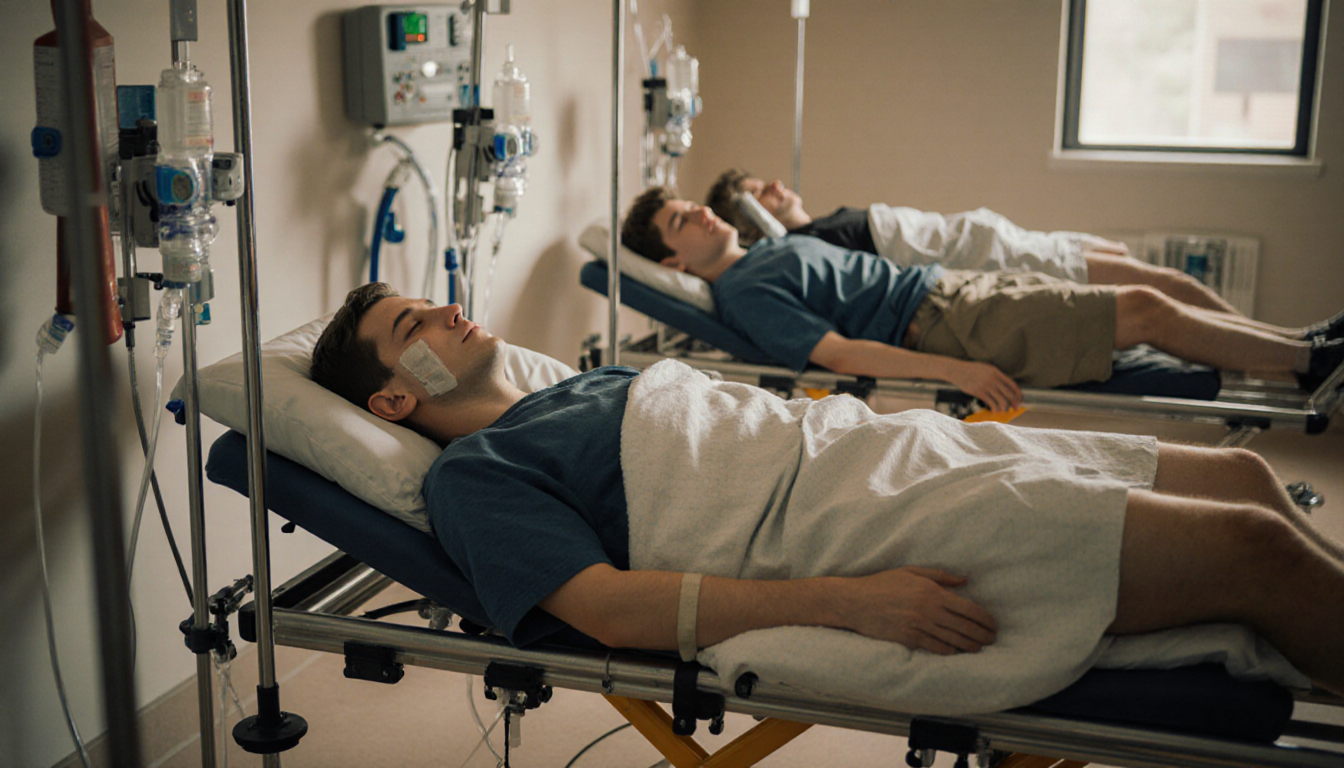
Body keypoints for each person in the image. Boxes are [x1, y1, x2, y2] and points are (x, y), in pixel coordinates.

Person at [308, 282, 1344, 700]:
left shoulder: (579, 386)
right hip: (846, 522)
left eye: (428, 302)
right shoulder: (477, 478)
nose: (444, 311)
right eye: (411, 327)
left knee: (1246, 476)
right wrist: (852, 603)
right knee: (1253, 553)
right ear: (395, 399)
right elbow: (609, 611)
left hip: (883, 450)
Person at [620, 186, 1344, 411]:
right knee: (1147, 311)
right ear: (672, 262)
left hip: (953, 289)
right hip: (948, 324)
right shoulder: (745, 292)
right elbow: (837, 355)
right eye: (682, 221)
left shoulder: (768, 249)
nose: (702, 212)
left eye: (691, 204)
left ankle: (1302, 352)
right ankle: (1309, 362)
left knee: (1145, 305)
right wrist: (955, 371)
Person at [708, 168, 1230, 315]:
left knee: (1121, 258)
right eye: (759, 194)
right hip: (997, 257)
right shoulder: (805, 249)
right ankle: (1267, 352)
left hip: (997, 233)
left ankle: (1260, 345)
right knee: (1160, 284)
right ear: (752, 221)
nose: (775, 184)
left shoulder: (821, 225)